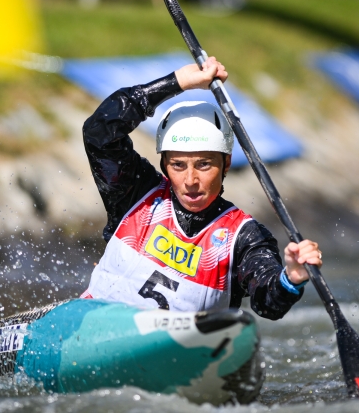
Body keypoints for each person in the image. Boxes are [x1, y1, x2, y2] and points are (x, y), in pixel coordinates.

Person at [79, 57, 323, 319]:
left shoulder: (244, 238)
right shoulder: (135, 193)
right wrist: (177, 82)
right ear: (163, 163)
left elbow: (267, 304)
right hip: (88, 330)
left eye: (204, 165)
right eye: (178, 165)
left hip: (175, 355)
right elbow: (99, 131)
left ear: (226, 163)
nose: (191, 180)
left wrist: (291, 279)